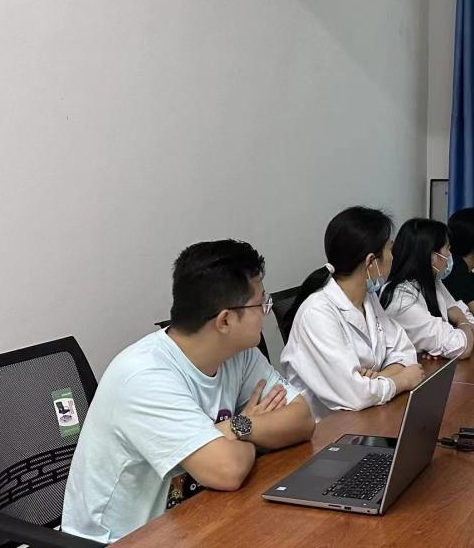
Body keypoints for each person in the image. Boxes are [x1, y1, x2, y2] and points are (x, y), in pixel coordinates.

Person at [62, 240, 314, 543]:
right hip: (120, 540)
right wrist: (248, 432)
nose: (266, 312)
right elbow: (227, 471)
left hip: (193, 521)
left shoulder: (239, 353)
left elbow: (302, 420)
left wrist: (236, 427)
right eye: (261, 303)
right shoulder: (144, 377)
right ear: (225, 320)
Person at [281, 207, 424, 418]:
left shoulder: (367, 298)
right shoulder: (317, 313)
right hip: (326, 428)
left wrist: (378, 378)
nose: (393, 257)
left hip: (367, 416)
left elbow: (404, 351)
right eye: (389, 249)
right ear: (371, 262)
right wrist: (401, 380)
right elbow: (357, 395)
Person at [380, 218, 474, 360]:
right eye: (447, 249)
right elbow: (461, 347)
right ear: (432, 256)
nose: (450, 255)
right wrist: (462, 325)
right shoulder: (401, 299)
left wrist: (461, 323)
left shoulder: (432, 281)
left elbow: (470, 318)